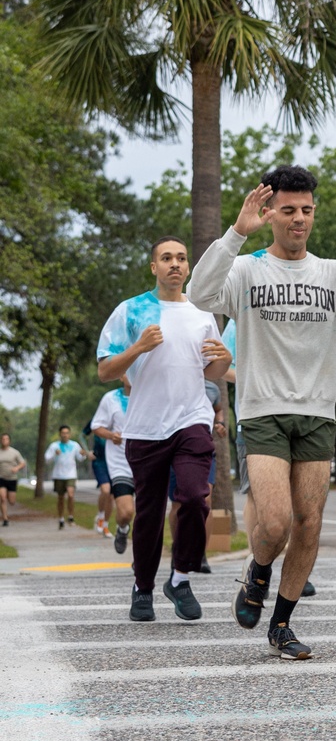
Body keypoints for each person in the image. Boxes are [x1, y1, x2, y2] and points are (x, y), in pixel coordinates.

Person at [188, 165, 336, 660]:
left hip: (317, 414)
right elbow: (200, 294)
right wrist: (234, 234)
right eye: (288, 210)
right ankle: (258, 571)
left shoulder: (335, 275)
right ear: (269, 212)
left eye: (306, 211)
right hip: (263, 411)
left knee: (309, 523)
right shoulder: (246, 270)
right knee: (275, 521)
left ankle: (281, 624)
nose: (298, 220)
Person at [96, 236, 231, 623]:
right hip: (145, 427)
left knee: (193, 498)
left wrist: (225, 358)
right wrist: (137, 348)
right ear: (153, 267)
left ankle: (181, 577)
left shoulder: (203, 313)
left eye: (181, 258)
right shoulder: (132, 310)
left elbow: (211, 372)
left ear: (188, 268)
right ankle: (143, 589)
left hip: (192, 420)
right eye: (166, 258)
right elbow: (105, 370)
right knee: (150, 514)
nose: (175, 264)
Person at [222, 316, 316, 600]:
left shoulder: (297, 314)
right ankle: (256, 563)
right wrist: (256, 379)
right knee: (257, 495)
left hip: (298, 421)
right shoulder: (242, 319)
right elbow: (223, 366)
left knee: (293, 500)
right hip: (255, 422)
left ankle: (292, 568)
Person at [167, 378, 225, 574]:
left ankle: (201, 554)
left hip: (204, 450)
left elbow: (218, 409)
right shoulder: (171, 381)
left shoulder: (212, 387)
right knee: (178, 504)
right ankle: (178, 551)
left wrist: (220, 423)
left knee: (205, 502)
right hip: (175, 450)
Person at [91, 379, 136, 557]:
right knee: (126, 512)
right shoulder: (110, 399)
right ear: (120, 375)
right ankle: (122, 528)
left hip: (147, 463)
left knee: (146, 516)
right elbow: (97, 426)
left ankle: (142, 558)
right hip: (121, 464)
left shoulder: (150, 394)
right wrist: (111, 435)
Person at [44, 427, 91, 528]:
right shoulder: (54, 446)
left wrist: (83, 454)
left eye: (67, 433)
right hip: (58, 475)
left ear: (69, 434)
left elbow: (80, 458)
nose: (65, 435)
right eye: (63, 433)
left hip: (70, 474)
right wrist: (54, 454)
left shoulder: (74, 445)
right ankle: (61, 518)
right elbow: (47, 459)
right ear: (60, 434)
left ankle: (70, 516)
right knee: (60, 497)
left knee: (70, 495)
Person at [84, 411, 113, 538]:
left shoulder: (118, 419)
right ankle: (100, 516)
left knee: (111, 496)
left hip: (114, 461)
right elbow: (81, 435)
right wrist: (86, 451)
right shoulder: (96, 421)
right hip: (99, 461)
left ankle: (105, 525)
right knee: (105, 490)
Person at [0, 433, 27, 526]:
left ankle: (8, 494)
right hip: (1, 478)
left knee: (11, 502)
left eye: (6, 439)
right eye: (3, 439)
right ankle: (5, 518)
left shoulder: (15, 452)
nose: (4, 441)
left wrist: (17, 468)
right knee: (2, 498)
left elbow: (23, 463)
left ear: (9, 441)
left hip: (11, 478)